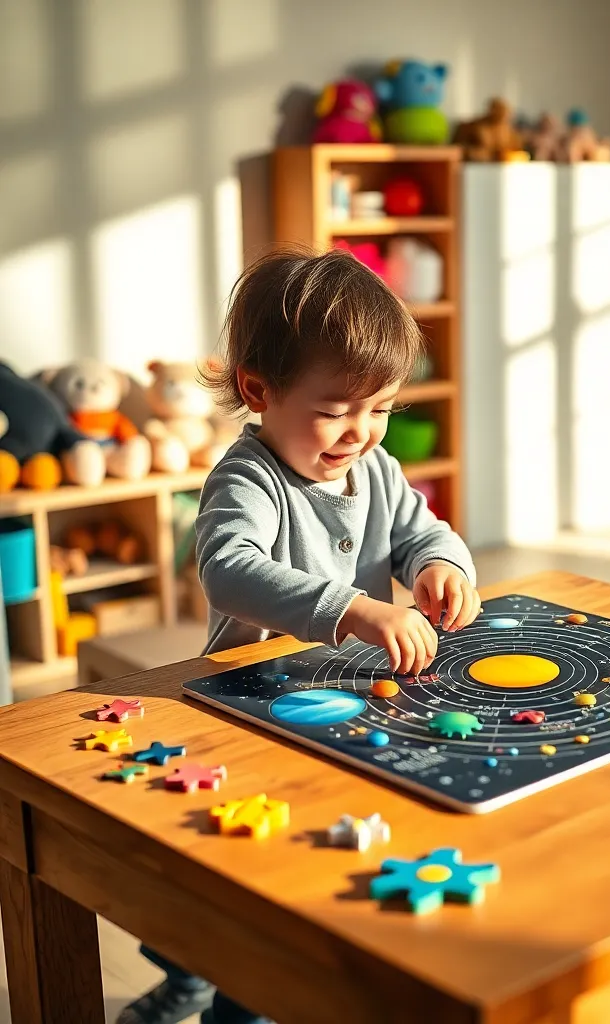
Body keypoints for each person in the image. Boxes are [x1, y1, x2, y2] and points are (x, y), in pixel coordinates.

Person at [117, 248, 480, 1024]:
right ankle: (210, 988)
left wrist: (443, 566)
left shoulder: (376, 471)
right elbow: (229, 570)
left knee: (323, 853)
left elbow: (424, 532)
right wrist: (353, 607)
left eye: (381, 408)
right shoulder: (248, 478)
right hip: (246, 707)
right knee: (234, 869)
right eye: (336, 409)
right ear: (259, 389)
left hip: (355, 702)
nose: (362, 432)